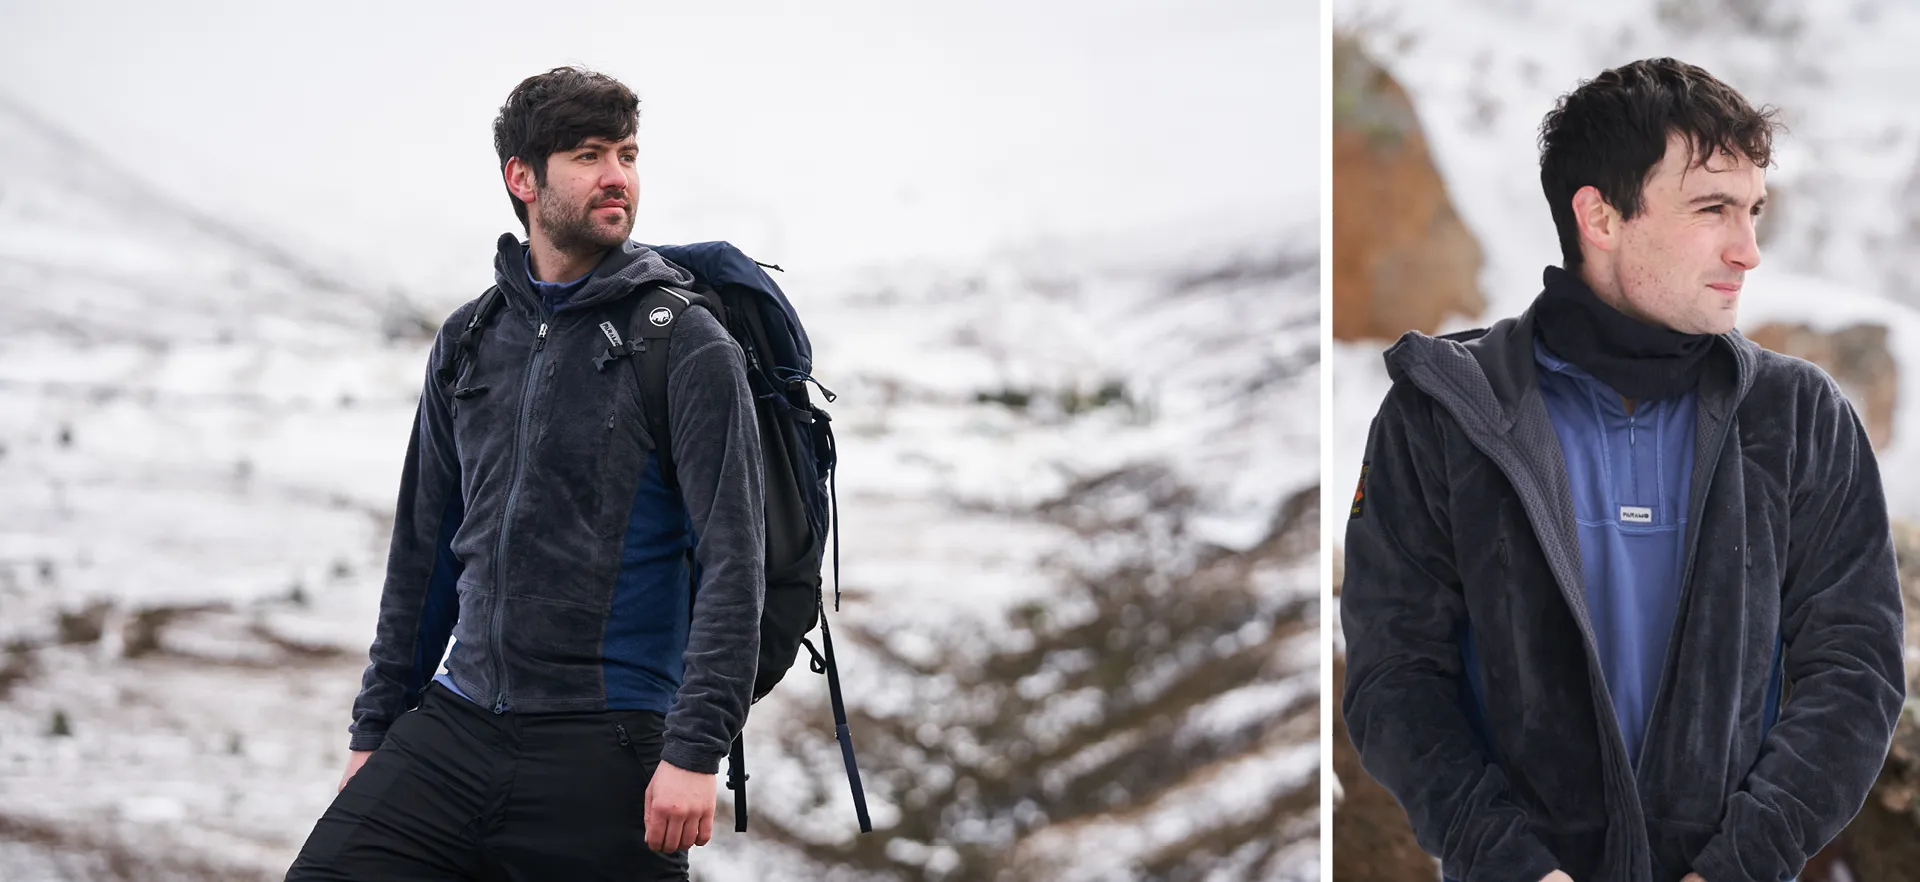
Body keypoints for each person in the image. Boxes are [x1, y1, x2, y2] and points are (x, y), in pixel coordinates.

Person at [1341, 57, 1905, 882]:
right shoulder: (1444, 415)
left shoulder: (1801, 418)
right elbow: (1395, 676)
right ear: (1600, 218)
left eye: (1752, 212)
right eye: (1712, 209)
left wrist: (1741, 863)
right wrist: (1510, 865)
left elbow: (1855, 673)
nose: (1747, 251)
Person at [285, 66, 765, 881]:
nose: (618, 175)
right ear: (523, 178)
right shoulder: (472, 338)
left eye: (628, 153)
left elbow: (734, 563)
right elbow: (424, 554)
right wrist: (377, 731)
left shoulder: (682, 342)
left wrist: (695, 751)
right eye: (587, 155)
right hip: (458, 722)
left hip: (608, 745)